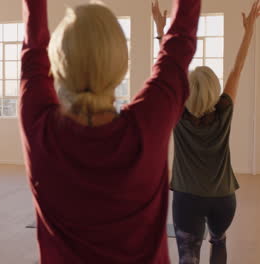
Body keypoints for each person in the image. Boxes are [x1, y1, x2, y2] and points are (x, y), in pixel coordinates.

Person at [20, 0, 200, 262]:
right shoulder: (148, 125)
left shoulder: (40, 129)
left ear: (57, 64)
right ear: (122, 65)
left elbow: (33, 51)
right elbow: (179, 45)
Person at [152, 0, 260, 263]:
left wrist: (160, 28)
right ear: (214, 90)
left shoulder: (178, 112)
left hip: (188, 200)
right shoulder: (224, 109)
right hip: (224, 200)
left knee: (189, 256)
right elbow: (238, 67)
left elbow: (167, 68)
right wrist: (249, 30)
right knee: (219, 242)